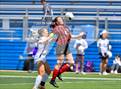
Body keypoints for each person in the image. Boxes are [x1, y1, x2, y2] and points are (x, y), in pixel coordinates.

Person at [42, 16, 82, 88]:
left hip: (66, 47)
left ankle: (58, 73)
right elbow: (52, 34)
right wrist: (46, 39)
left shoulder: (66, 28)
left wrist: (78, 36)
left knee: (71, 62)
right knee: (59, 63)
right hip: (60, 46)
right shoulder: (57, 28)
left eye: (61, 18)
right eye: (59, 19)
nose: (61, 19)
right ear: (57, 22)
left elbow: (71, 36)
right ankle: (53, 80)